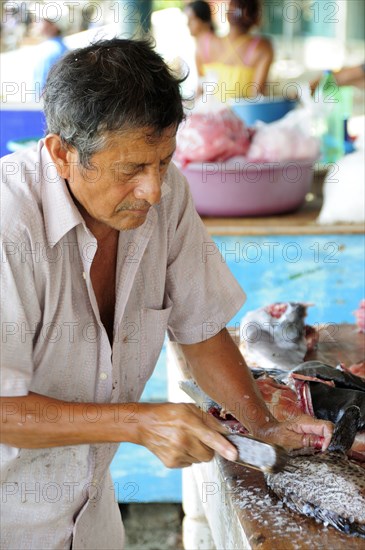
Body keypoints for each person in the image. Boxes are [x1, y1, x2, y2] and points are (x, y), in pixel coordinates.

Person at [0, 38, 333, 549]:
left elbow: (201, 331)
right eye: (131, 168)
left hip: (89, 517)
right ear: (62, 153)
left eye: (163, 160)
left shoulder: (166, 193)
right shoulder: (9, 224)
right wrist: (137, 422)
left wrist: (262, 425)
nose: (152, 190)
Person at [201, 0, 273, 99]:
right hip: (242, 113)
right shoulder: (263, 47)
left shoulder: (205, 43)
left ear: (227, 14)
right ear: (256, 16)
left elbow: (200, 88)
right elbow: (256, 95)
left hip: (206, 112)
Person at [185, 1, 219, 82]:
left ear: (203, 20)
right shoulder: (203, 44)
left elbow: (202, 82)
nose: (188, 23)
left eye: (192, 19)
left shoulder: (206, 45)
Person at [33, 14, 69, 91]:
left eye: (42, 20)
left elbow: (41, 85)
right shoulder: (62, 47)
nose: (36, 22)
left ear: (54, 26)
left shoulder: (50, 50)